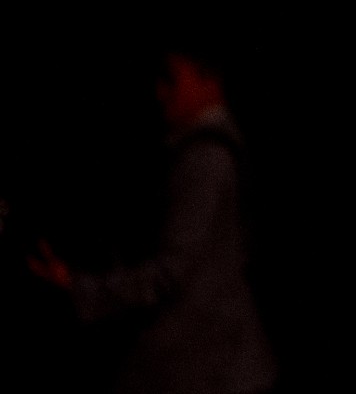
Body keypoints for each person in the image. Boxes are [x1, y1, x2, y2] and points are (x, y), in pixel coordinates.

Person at [26, 42, 278, 394]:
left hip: (205, 365)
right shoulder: (213, 149)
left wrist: (78, 285)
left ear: (208, 79)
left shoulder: (206, 157)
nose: (160, 93)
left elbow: (169, 274)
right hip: (215, 358)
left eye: (171, 79)